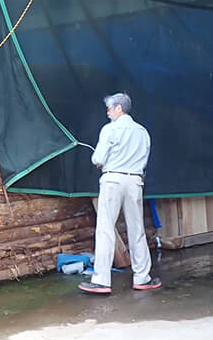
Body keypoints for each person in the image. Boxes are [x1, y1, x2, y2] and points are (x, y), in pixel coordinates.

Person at [79, 92, 162, 294]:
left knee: (106, 229)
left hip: (112, 180)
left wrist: (102, 161)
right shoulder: (142, 131)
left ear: (118, 108)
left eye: (109, 109)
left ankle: (101, 281)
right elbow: (144, 159)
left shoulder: (109, 130)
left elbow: (98, 159)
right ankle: (142, 278)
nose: (107, 113)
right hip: (135, 181)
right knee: (137, 229)